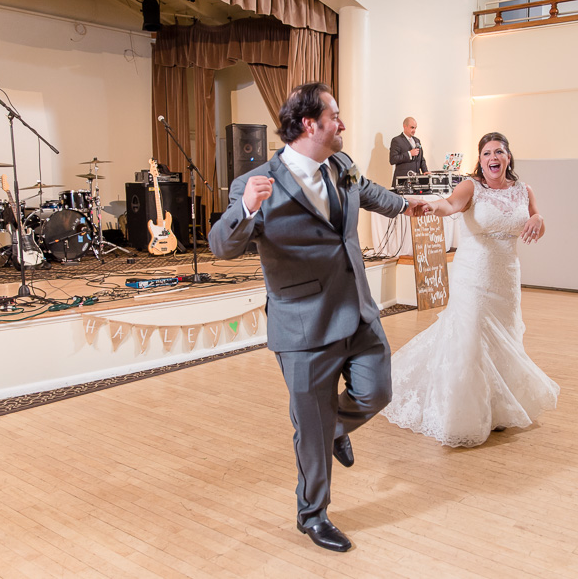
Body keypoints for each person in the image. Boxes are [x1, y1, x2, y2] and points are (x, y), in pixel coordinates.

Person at [208, 82, 426, 553]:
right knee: (309, 432)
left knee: (378, 390)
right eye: (336, 115)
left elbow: (369, 193)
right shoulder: (256, 184)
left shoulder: (341, 165)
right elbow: (221, 246)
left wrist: (411, 204)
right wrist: (246, 210)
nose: (343, 123)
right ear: (311, 123)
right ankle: (313, 515)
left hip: (358, 309)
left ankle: (334, 428)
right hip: (303, 326)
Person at [381, 132, 559, 447]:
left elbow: (534, 217)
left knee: (503, 339)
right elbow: (449, 204)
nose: (494, 157)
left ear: (507, 157)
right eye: (488, 152)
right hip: (473, 275)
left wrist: (539, 218)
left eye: (499, 152)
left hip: (506, 277)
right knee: (470, 338)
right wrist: (429, 207)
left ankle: (497, 409)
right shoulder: (471, 186)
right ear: (481, 159)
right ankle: (460, 414)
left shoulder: (522, 189)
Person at [389, 116, 428, 186]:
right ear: (404, 126)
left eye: (415, 128)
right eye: (412, 127)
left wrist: (425, 172)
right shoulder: (397, 140)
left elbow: (421, 159)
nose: (414, 130)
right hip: (402, 182)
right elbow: (393, 159)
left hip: (417, 182)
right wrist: (409, 154)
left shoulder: (417, 140)